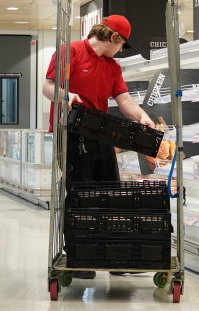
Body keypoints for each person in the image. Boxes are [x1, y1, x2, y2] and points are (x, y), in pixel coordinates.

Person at [42, 15, 154, 279]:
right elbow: (48, 87)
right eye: (121, 44)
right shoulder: (70, 52)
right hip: (71, 133)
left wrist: (141, 116)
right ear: (114, 38)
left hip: (101, 133)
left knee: (111, 192)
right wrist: (65, 95)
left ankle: (114, 255)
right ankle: (81, 256)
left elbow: (123, 98)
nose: (120, 50)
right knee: (80, 193)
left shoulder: (112, 66)